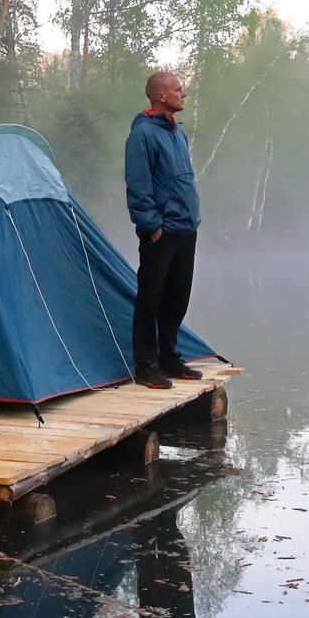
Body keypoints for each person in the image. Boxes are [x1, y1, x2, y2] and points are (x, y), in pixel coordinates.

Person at [124, 71, 202, 389]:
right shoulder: (142, 134)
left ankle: (169, 358)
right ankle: (146, 365)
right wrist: (152, 226)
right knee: (151, 297)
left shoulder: (176, 133)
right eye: (178, 89)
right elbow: (138, 184)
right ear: (161, 96)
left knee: (177, 297)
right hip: (162, 231)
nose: (183, 94)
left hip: (185, 229)